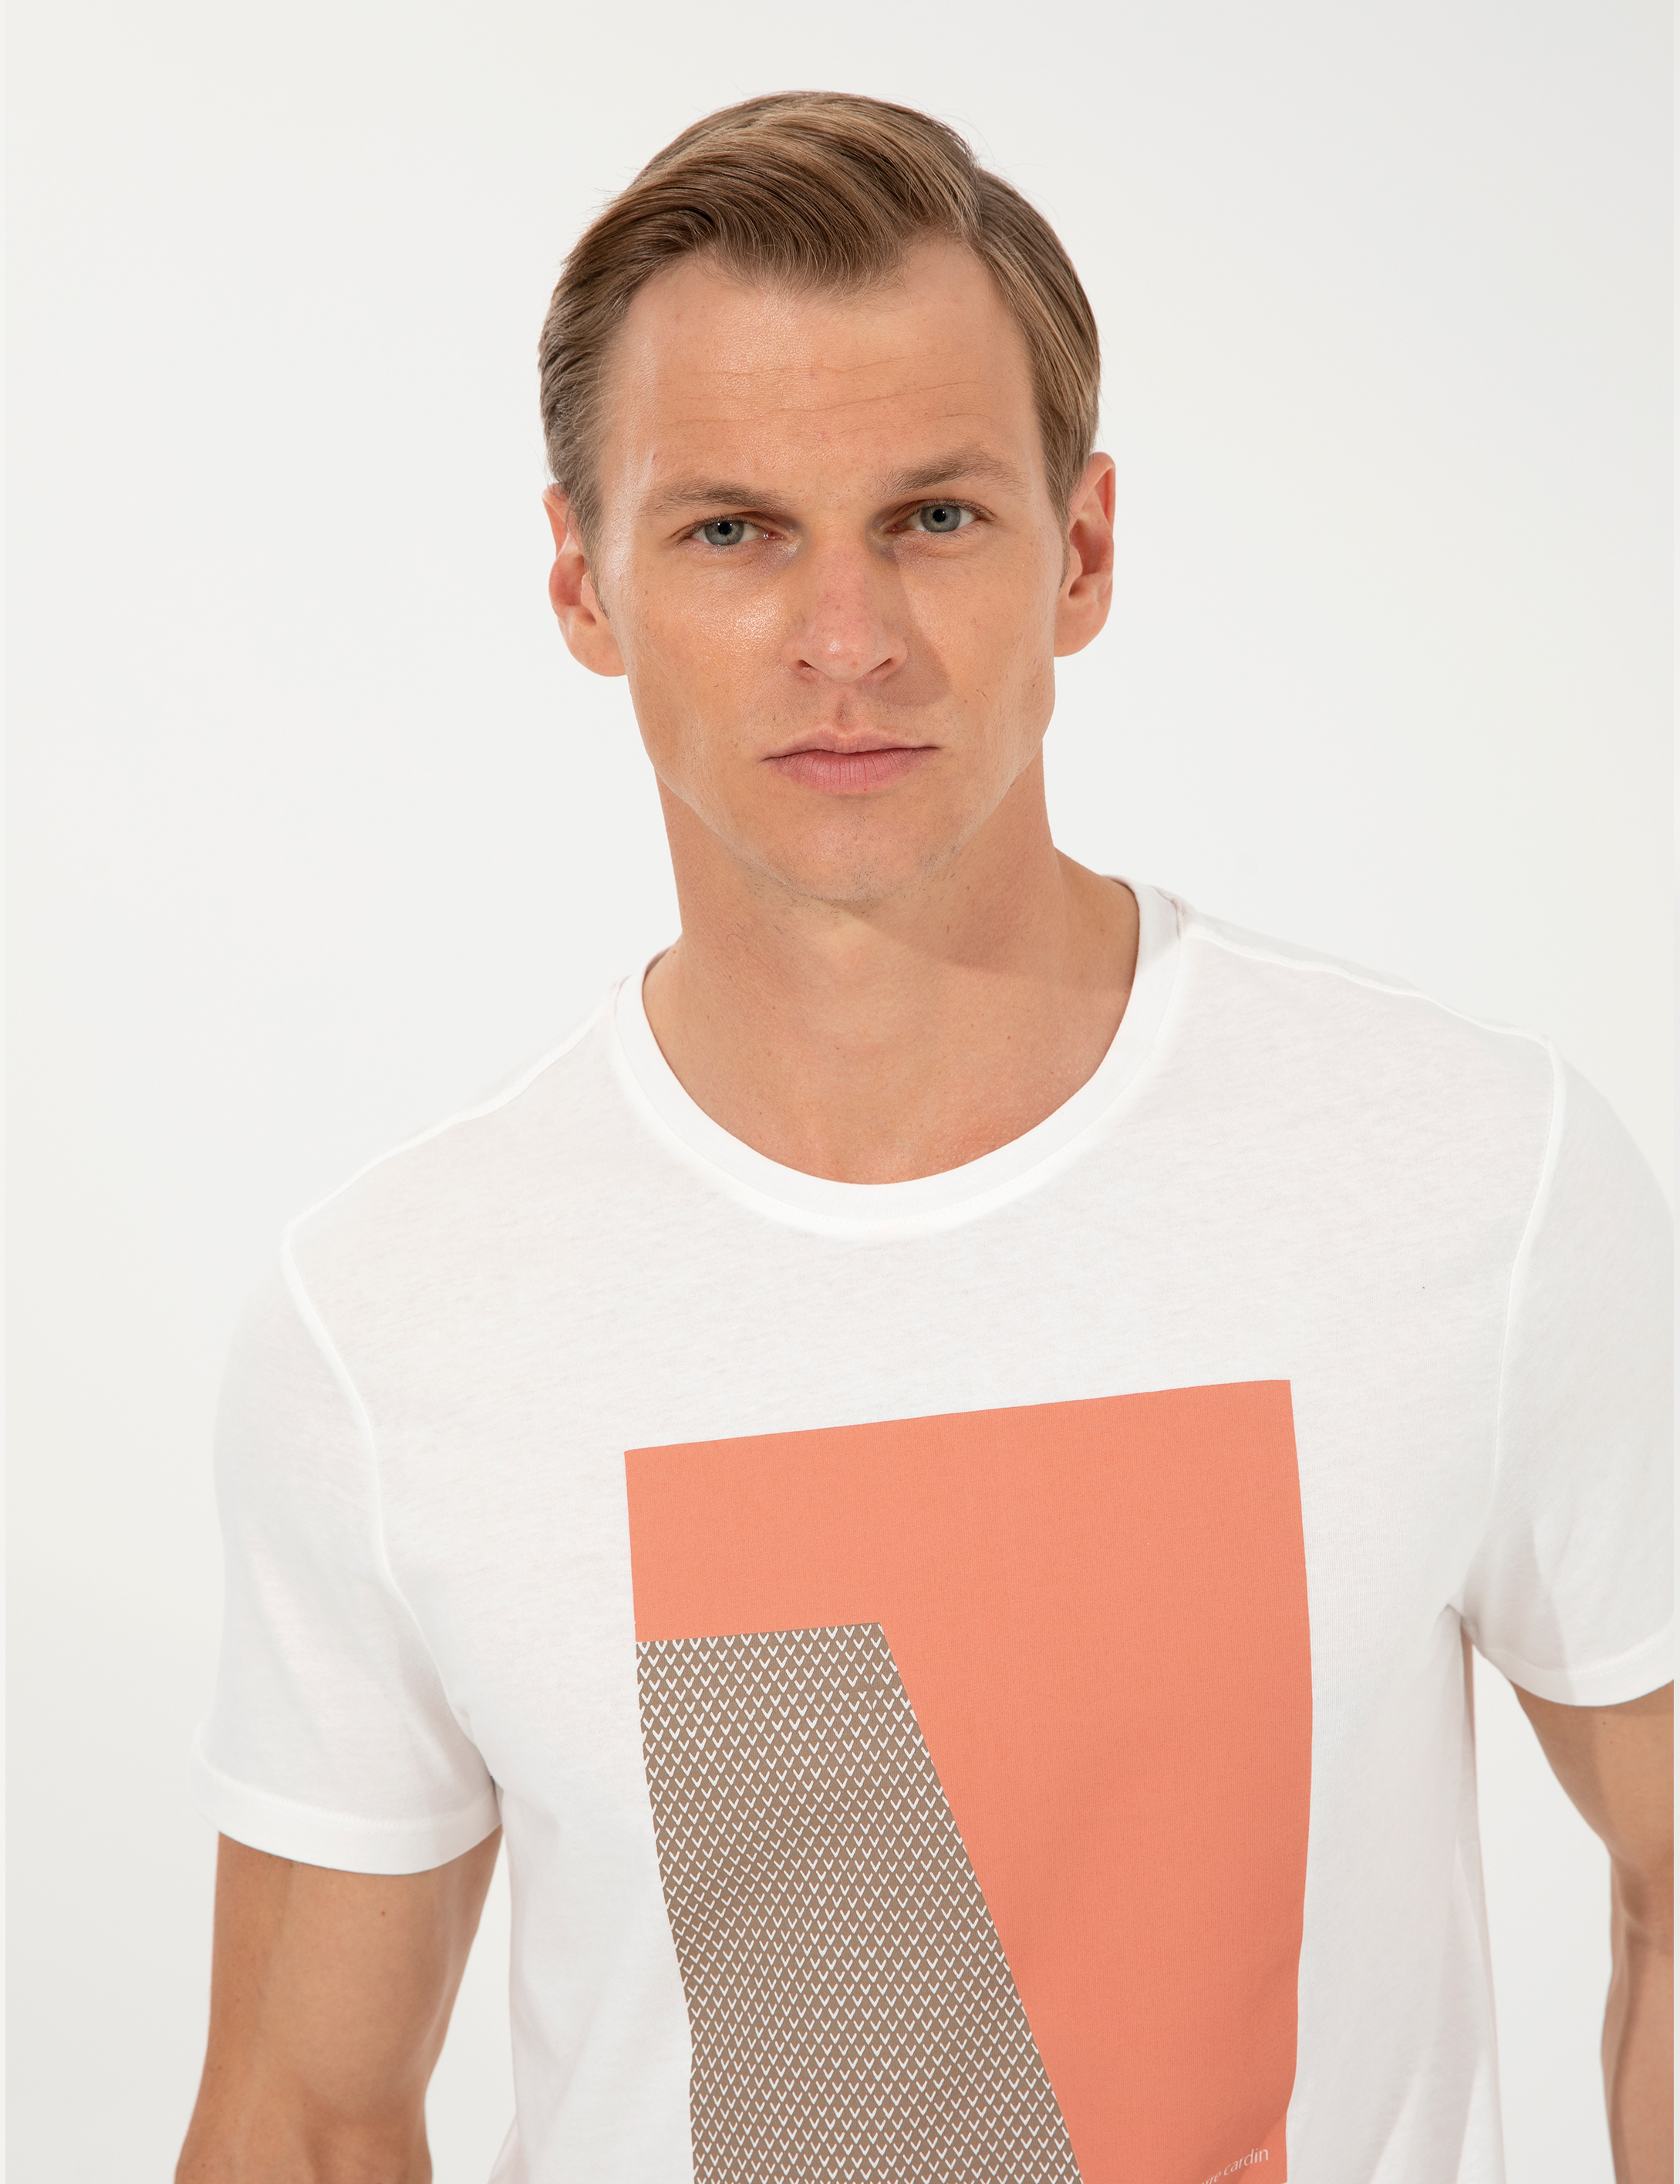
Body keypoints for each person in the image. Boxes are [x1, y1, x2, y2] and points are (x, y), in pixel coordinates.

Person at [176, 91, 1672, 2184]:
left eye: (934, 515)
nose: (847, 639)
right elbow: (309, 2119)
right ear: (582, 583)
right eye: (732, 530)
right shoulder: (389, 1322)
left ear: (1083, 551)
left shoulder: (1471, 1177)